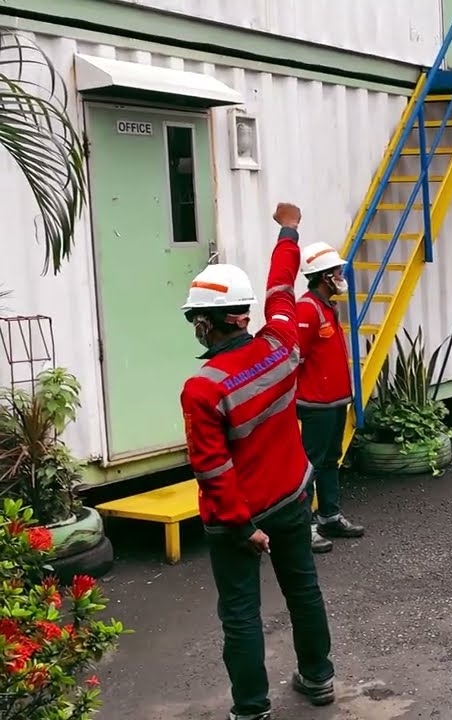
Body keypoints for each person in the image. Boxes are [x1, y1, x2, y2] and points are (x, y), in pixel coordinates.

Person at [179, 203, 335, 720]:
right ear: (243, 315)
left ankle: (251, 708)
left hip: (238, 518)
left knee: (242, 616)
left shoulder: (203, 388)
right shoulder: (283, 343)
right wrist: (289, 231)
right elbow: (282, 289)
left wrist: (240, 524)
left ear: (205, 324)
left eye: (195, 322)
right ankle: (318, 678)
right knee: (303, 591)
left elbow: (212, 468)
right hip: (292, 496)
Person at [295, 241, 365, 554]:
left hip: (335, 401)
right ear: (325, 277)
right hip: (315, 403)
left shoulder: (326, 307)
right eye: (337, 271)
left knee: (330, 461)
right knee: (310, 464)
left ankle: (330, 516)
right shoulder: (307, 309)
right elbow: (297, 357)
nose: (341, 275)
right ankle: (306, 526)